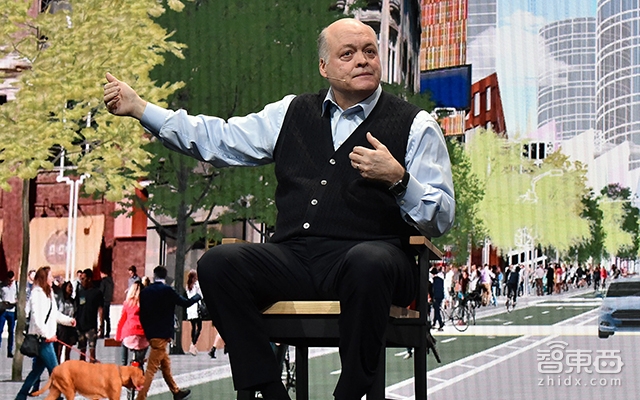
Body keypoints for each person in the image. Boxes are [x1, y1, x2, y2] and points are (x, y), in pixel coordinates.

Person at [104, 17, 455, 399]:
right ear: (324, 67)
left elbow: (441, 217)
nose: (363, 60)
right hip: (296, 259)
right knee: (218, 264)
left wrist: (399, 179)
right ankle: (269, 391)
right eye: (348, 53)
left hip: (376, 263)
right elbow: (218, 137)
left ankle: (350, 393)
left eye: (370, 51)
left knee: (367, 261)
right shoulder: (291, 112)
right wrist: (141, 109)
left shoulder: (416, 124)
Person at [137, 266, 201, 400]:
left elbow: (142, 315)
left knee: (165, 365)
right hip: (163, 334)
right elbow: (185, 303)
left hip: (152, 334)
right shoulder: (168, 290)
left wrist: (147, 332)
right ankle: (140, 397)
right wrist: (198, 296)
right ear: (165, 276)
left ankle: (176, 392)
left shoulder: (145, 292)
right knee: (151, 370)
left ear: (154, 275)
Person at [15, 266, 76, 400]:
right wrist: (47, 335)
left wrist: (69, 320)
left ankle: (21, 396)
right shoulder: (37, 294)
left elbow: (54, 314)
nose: (52, 279)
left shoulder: (49, 294)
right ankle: (57, 397)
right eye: (50, 276)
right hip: (42, 339)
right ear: (44, 278)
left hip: (47, 338)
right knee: (56, 370)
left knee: (37, 371)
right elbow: (37, 319)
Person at [116, 281, 148, 369]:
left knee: (124, 344)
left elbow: (122, 321)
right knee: (139, 362)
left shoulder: (127, 304)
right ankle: (139, 365)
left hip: (129, 334)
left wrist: (118, 336)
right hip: (143, 335)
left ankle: (124, 363)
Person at [75, 268, 103, 363]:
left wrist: (101, 324)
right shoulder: (80, 292)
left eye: (83, 279)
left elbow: (100, 308)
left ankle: (92, 368)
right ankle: (82, 369)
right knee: (82, 351)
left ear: (89, 279)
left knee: (92, 350)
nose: (82, 281)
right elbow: (77, 306)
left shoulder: (97, 292)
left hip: (91, 327)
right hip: (80, 326)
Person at [55, 281, 77, 363]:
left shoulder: (73, 301)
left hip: (70, 325)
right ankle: (57, 363)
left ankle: (67, 363)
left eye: (71, 287)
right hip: (62, 326)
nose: (71, 289)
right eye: (69, 287)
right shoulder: (60, 300)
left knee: (69, 348)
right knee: (59, 348)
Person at [185, 270, 203, 356]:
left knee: (193, 327)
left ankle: (193, 345)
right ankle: (193, 344)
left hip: (190, 308)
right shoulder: (197, 284)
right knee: (199, 327)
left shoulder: (188, 285)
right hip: (196, 308)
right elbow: (200, 295)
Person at [1, 270, 18, 357]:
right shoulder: (2, 285)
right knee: (0, 330)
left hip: (12, 310)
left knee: (11, 332)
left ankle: (10, 350)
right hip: (3, 310)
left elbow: (22, 296)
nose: (10, 282)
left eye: (11, 281)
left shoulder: (17, 285)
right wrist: (2, 302)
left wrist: (17, 301)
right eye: (9, 280)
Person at [99, 270, 115, 338]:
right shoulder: (111, 281)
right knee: (107, 317)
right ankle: (108, 331)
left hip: (103, 301)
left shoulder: (104, 281)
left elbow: (101, 291)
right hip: (108, 300)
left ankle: (102, 332)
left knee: (102, 317)